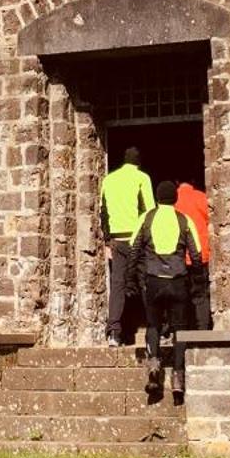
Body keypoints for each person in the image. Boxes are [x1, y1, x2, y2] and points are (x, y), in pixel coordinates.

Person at [128, 181, 202, 404]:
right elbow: (196, 254)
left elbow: (134, 248)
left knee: (153, 325)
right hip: (178, 281)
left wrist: (132, 279)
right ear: (174, 199)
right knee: (180, 329)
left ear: (158, 197)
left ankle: (153, 363)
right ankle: (178, 378)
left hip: (153, 280)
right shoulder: (183, 219)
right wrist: (196, 282)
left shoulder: (147, 218)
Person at [99, 145, 154, 345]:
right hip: (136, 239)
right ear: (138, 163)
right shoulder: (142, 178)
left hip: (116, 240)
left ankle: (114, 331)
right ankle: (152, 331)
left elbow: (103, 212)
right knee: (145, 282)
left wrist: (106, 242)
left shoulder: (108, 179)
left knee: (117, 284)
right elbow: (149, 212)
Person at [176, 175, 212, 328]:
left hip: (179, 255)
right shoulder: (203, 198)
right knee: (201, 294)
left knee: (180, 295)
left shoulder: (172, 200)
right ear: (194, 181)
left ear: (176, 182)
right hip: (201, 253)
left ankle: (181, 328)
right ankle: (203, 328)